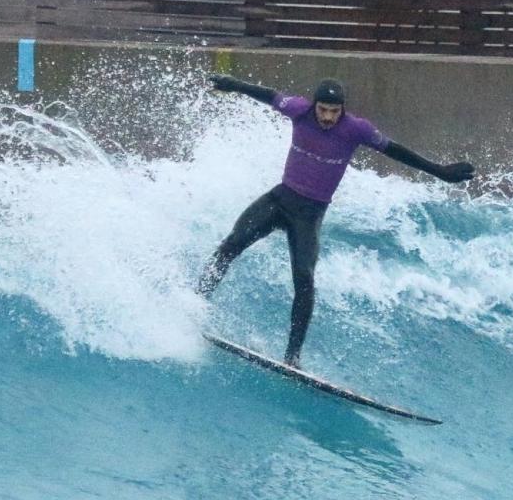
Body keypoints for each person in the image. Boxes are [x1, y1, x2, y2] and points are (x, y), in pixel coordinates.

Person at [197, 74, 475, 367]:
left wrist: (439, 171)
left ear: (342, 109)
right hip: (278, 201)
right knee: (230, 246)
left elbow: (395, 151)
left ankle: (292, 357)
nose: (328, 117)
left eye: (334, 111)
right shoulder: (299, 109)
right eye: (323, 110)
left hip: (309, 216)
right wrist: (234, 85)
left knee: (304, 279)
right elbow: (268, 94)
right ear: (315, 105)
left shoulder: (356, 129)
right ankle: (194, 306)